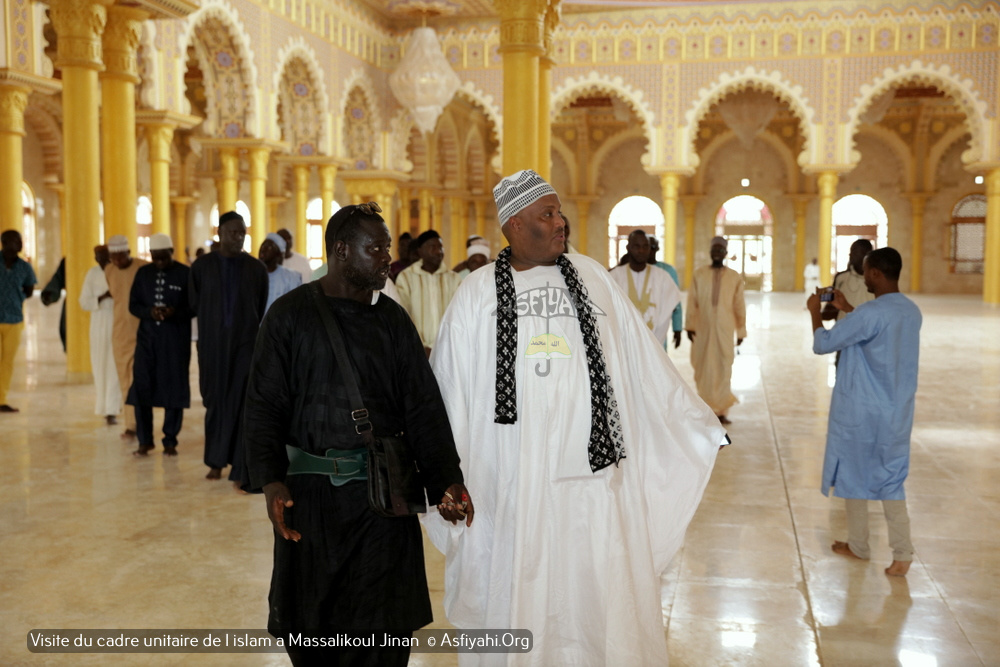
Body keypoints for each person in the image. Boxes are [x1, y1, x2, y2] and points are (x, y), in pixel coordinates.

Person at [423, 170, 724, 665]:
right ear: (515, 225)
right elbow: (447, 392)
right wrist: (441, 478)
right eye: (548, 214)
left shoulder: (594, 280)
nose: (561, 223)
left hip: (594, 483)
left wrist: (692, 423)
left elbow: (644, 364)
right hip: (511, 486)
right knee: (515, 591)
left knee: (595, 600)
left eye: (560, 212)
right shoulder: (475, 296)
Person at [244, 202, 472, 666]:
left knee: (384, 634)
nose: (387, 257)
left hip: (383, 502)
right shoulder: (288, 318)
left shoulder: (392, 321)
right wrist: (271, 480)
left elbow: (424, 407)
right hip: (313, 503)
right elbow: (263, 406)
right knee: (314, 627)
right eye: (376, 248)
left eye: (388, 247)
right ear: (342, 250)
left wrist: (446, 476)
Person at [807, 247, 920, 577]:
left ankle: (862, 545)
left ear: (875, 274)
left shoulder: (870, 313)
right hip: (897, 411)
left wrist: (815, 311)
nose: (865, 276)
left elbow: (822, 344)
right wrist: (847, 308)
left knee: (853, 473)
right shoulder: (910, 311)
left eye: (868, 271)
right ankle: (899, 553)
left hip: (863, 411)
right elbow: (878, 332)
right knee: (891, 476)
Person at [189, 211, 268, 483]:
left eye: (242, 233)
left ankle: (238, 465)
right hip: (211, 347)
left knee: (241, 404)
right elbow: (193, 304)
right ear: (220, 233)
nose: (238, 238)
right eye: (233, 232)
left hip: (244, 347)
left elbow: (259, 307)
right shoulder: (201, 267)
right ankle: (215, 461)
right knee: (215, 402)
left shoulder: (256, 269)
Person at [127, 234, 193, 457]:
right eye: (155, 258)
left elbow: (195, 306)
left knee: (174, 389)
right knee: (141, 388)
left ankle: (170, 441)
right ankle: (145, 441)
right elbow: (133, 305)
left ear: (171, 252)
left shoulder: (185, 274)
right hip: (147, 342)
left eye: (164, 258)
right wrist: (149, 312)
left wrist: (176, 313)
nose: (159, 263)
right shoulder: (144, 273)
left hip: (175, 342)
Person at [685, 236, 746, 424]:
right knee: (703, 368)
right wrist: (690, 325)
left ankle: (720, 411)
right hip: (702, 328)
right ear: (711, 253)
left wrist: (741, 331)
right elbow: (692, 301)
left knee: (723, 366)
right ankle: (706, 409)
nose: (717, 253)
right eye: (715, 250)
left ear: (725, 254)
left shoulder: (734, 277)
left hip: (725, 329)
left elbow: (739, 305)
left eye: (721, 250)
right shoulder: (699, 274)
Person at [105, 235, 148, 438]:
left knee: (140, 381)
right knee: (125, 380)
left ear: (128, 252)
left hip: (143, 333)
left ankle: (140, 423)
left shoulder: (143, 268)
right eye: (113, 257)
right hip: (120, 334)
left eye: (120, 256)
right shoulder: (109, 270)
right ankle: (131, 424)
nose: (116, 261)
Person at [610, 230, 682, 348]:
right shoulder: (615, 276)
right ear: (628, 248)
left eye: (645, 246)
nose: (641, 251)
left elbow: (673, 303)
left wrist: (668, 330)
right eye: (636, 246)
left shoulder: (662, 277)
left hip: (654, 343)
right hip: (624, 344)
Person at [395, 229, 461, 356]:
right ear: (420, 251)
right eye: (433, 247)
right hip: (416, 351)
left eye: (441, 247)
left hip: (448, 350)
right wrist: (420, 346)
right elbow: (403, 316)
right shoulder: (406, 278)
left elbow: (459, 315)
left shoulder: (454, 279)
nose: (439, 251)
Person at [79, 245, 121, 425]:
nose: (101, 259)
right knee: (99, 363)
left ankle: (112, 409)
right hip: (98, 322)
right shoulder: (92, 274)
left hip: (117, 320)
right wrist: (103, 297)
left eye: (104, 256)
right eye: (98, 256)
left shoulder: (119, 272)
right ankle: (103, 406)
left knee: (114, 364)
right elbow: (84, 301)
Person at [0, 230, 37, 413]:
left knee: (7, 361)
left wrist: (16, 298)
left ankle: (2, 399)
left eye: (20, 241)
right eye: (15, 241)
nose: (19, 244)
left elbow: (29, 290)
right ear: (4, 242)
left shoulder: (24, 267)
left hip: (14, 319)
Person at [824, 239, 874, 321]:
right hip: (844, 328)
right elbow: (830, 311)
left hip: (868, 329)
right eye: (853, 252)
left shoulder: (876, 279)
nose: (854, 255)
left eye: (860, 252)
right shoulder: (841, 277)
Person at [648, 236, 684, 350]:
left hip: (660, 324)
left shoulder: (668, 271)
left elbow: (675, 302)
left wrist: (677, 328)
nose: (649, 251)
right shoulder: (632, 270)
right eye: (647, 247)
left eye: (653, 247)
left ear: (657, 249)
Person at [260, 232, 302, 313]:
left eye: (269, 246)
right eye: (263, 245)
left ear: (278, 254)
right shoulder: (252, 275)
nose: (263, 249)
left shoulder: (291, 278)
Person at [40, 257, 66, 352]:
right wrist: (49, 294)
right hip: (73, 305)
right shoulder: (69, 261)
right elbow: (57, 280)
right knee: (67, 332)